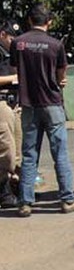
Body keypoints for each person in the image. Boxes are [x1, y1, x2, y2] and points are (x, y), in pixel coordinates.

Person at [10, 3, 74, 217]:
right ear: (49, 22)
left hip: (29, 104)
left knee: (29, 154)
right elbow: (62, 74)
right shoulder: (56, 44)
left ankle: (25, 203)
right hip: (52, 103)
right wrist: (59, 82)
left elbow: (16, 71)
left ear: (29, 21)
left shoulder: (18, 43)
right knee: (60, 153)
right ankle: (67, 199)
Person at [0, 19, 21, 208]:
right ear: (2, 34)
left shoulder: (12, 52)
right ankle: (4, 192)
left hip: (15, 103)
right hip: (1, 103)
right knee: (5, 150)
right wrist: (13, 77)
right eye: (11, 36)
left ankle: (17, 189)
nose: (14, 40)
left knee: (18, 152)